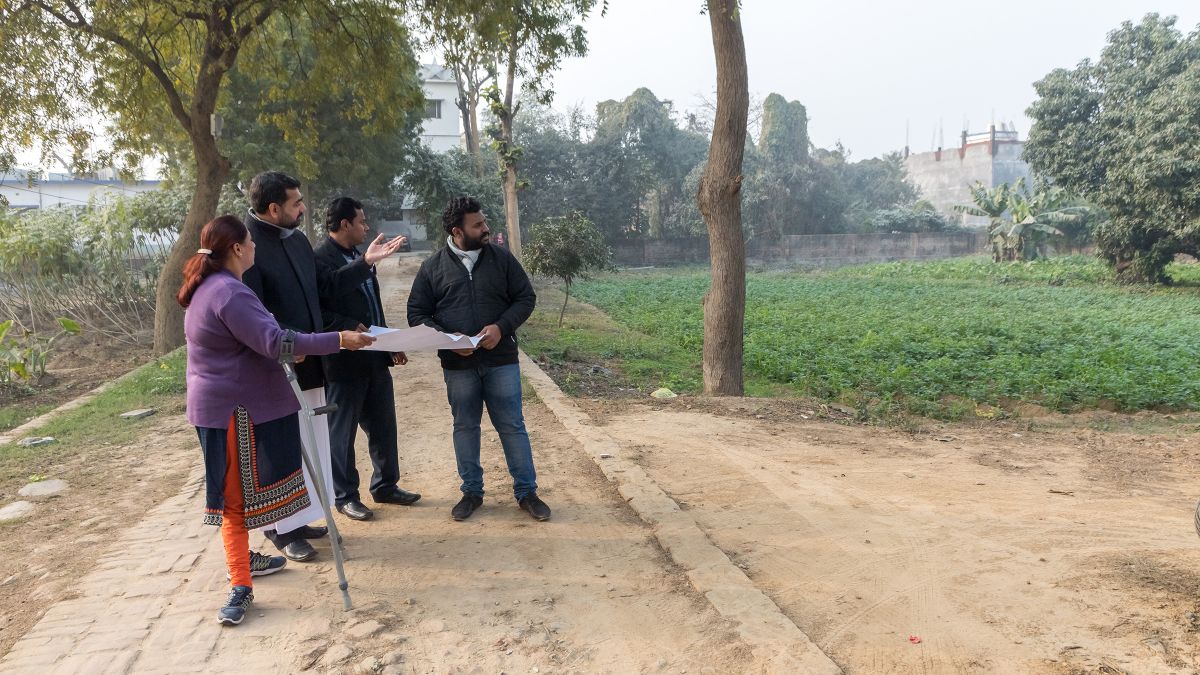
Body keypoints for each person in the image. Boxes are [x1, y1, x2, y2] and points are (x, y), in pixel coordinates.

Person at [178, 215, 375, 625]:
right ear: (236, 248)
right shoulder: (230, 293)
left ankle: (243, 561)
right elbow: (274, 341)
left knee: (240, 495)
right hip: (234, 409)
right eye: (250, 242)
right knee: (234, 500)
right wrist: (339, 340)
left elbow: (263, 340)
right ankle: (240, 585)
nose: (254, 247)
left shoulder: (212, 287)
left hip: (224, 404)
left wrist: (290, 347)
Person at [407, 197, 550, 522]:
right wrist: (447, 339)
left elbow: (526, 298)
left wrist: (502, 327)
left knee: (512, 426)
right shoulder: (432, 268)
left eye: (484, 222)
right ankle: (471, 492)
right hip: (458, 367)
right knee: (465, 426)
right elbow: (417, 313)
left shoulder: (502, 259)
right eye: (478, 225)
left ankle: (527, 492)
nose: (486, 228)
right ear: (458, 231)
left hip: (501, 361)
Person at [240, 171, 329, 562]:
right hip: (276, 366)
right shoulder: (246, 247)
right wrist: (283, 351)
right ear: (273, 208)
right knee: (278, 452)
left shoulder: (296, 239)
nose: (303, 208)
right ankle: (281, 530)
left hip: (310, 360)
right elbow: (253, 314)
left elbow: (321, 287)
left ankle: (303, 515)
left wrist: (365, 265)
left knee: (311, 443)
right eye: (296, 203)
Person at [314, 196, 421, 521]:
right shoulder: (320, 260)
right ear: (344, 224)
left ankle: (386, 485)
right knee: (341, 434)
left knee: (384, 426)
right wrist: (346, 327)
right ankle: (346, 496)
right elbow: (317, 312)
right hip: (343, 362)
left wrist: (390, 341)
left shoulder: (358, 256)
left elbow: (372, 306)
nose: (366, 227)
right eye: (361, 221)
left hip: (374, 357)